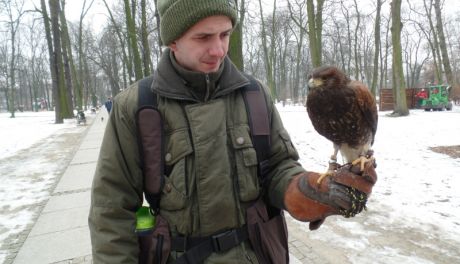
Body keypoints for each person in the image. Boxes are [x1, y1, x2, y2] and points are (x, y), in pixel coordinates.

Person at [88, 0, 377, 263]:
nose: (218, 50)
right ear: (172, 41)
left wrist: (305, 191)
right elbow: (110, 213)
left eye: (225, 35)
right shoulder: (137, 107)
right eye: (203, 37)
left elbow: (277, 167)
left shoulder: (254, 95)